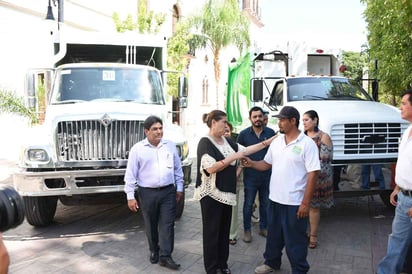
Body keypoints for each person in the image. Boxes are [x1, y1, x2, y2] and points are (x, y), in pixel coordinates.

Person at [194, 110, 276, 274]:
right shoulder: (205, 142)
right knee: (212, 233)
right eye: (223, 121)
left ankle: (222, 265)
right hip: (211, 195)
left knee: (224, 232)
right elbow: (210, 168)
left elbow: (246, 150)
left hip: (226, 193)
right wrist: (233, 157)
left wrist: (268, 142)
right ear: (213, 123)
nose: (226, 125)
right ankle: (211, 268)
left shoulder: (226, 141)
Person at [242, 106, 320, 274]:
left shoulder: (307, 144)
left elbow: (313, 174)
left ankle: (299, 269)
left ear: (293, 121)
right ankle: (271, 262)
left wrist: (305, 203)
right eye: (279, 119)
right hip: (275, 200)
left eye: (283, 120)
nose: (279, 122)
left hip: (295, 203)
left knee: (295, 240)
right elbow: (266, 164)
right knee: (274, 236)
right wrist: (252, 163)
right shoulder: (276, 141)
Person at [124, 115, 183, 270]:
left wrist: (180, 188)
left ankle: (166, 256)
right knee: (151, 224)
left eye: (160, 128)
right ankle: (154, 250)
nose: (159, 132)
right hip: (147, 193)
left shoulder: (170, 146)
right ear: (146, 131)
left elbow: (178, 168)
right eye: (155, 129)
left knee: (167, 224)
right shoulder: (138, 149)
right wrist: (130, 196)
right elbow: (130, 174)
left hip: (168, 192)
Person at [377, 89, 412, 274]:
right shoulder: (407, 131)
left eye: (404, 103)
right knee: (398, 240)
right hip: (404, 197)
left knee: (399, 241)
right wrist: (397, 186)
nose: (400, 106)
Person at [237, 106, 276, 243]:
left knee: (265, 204)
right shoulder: (243, 135)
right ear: (250, 119)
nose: (258, 119)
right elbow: (239, 154)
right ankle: (247, 230)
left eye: (260, 116)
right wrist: (239, 170)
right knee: (248, 204)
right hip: (251, 177)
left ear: (263, 117)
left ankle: (263, 227)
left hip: (267, 175)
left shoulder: (271, 133)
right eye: (255, 117)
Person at [302, 110, 334, 249]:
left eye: (306, 120)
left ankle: (313, 236)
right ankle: (302, 233)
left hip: (318, 178)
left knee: (313, 207)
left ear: (315, 120)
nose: (304, 123)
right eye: (302, 120)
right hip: (301, 178)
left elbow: (325, 160)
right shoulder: (301, 137)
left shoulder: (323, 137)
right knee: (302, 206)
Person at [225, 122, 243, 245]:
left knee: (233, 209)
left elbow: (242, 162)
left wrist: (235, 175)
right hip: (218, 185)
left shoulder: (237, 146)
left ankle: (232, 235)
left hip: (233, 183)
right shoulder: (213, 145)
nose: (225, 133)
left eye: (228, 130)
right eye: (223, 130)